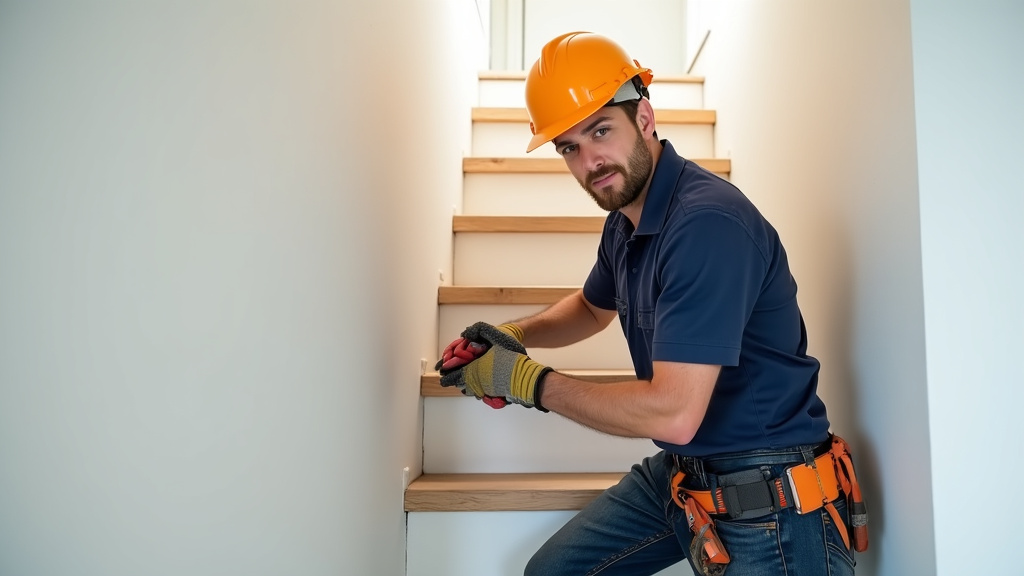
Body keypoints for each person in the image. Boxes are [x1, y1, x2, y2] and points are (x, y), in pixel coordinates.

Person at [437, 31, 867, 576]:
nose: (590, 161)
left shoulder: (706, 224)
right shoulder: (627, 221)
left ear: (644, 117)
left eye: (600, 131)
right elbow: (594, 308)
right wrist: (514, 336)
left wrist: (527, 382)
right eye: (569, 147)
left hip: (771, 500)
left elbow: (673, 411)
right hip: (686, 477)